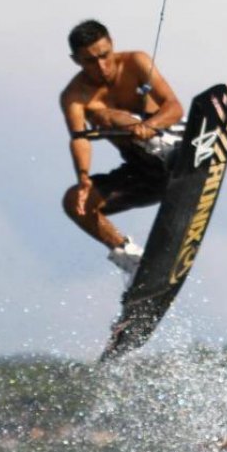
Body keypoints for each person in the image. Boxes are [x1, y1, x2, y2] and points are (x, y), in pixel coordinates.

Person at [60, 19, 184, 285]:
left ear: (112, 44)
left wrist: (149, 126)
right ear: (76, 61)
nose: (101, 66)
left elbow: (174, 107)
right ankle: (134, 262)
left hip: (175, 147)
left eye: (105, 55)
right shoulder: (75, 96)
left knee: (107, 116)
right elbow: (80, 139)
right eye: (90, 61)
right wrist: (83, 178)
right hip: (144, 175)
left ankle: (165, 153)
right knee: (75, 203)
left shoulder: (136, 62)